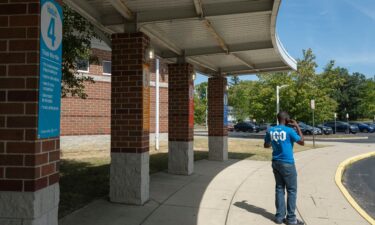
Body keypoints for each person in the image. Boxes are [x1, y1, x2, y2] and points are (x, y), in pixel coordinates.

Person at [264, 111, 305, 225]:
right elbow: (302, 142)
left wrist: (274, 141)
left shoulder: (270, 130)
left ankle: (279, 217)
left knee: (279, 189)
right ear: (287, 120)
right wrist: (297, 126)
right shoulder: (289, 130)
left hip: (276, 162)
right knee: (291, 190)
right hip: (287, 163)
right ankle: (291, 219)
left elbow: (266, 145)